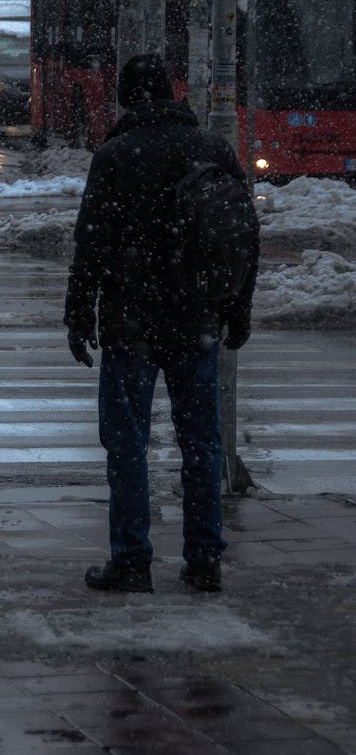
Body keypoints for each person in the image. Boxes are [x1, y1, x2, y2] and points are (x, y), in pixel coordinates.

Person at [64, 54, 259, 595]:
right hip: (197, 316)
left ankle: (132, 559)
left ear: (127, 99)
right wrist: (238, 308)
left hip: (134, 321)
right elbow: (242, 230)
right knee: (201, 443)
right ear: (172, 94)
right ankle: (204, 558)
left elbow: (91, 246)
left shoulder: (115, 155)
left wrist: (78, 316)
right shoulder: (211, 149)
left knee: (128, 443)